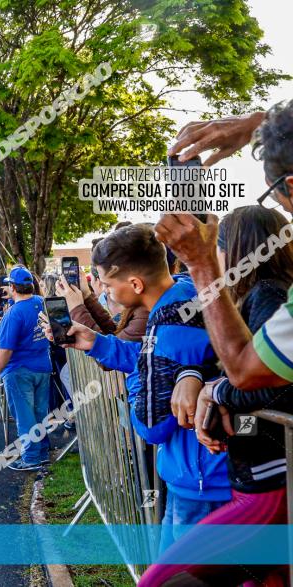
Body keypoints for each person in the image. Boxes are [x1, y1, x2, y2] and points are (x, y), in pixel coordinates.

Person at [141, 206, 293, 586]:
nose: (215, 258)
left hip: (267, 485)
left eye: (217, 248)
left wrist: (216, 392)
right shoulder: (256, 297)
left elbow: (266, 384)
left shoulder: (268, 296)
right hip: (254, 479)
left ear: (238, 249)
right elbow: (238, 381)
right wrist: (205, 386)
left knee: (158, 581)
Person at [59, 224, 230, 551]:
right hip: (194, 475)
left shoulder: (171, 320)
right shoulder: (179, 292)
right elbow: (151, 359)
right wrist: (96, 343)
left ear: (135, 284)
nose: (106, 292)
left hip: (201, 481)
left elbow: (151, 424)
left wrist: (139, 381)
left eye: (108, 284)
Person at [156, 101, 293, 391]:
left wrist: (201, 263)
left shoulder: (267, 292)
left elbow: (248, 373)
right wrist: (264, 124)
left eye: (275, 196)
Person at [0, 267, 52, 471]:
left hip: (19, 370)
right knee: (40, 413)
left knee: (25, 416)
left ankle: (31, 457)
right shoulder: (41, 303)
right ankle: (41, 452)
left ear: (13, 287)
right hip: (42, 366)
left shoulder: (14, 313)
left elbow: (5, 350)